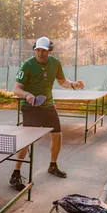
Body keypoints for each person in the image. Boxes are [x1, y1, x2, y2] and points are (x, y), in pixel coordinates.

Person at [10, 36, 84, 191]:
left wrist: (73, 84)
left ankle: (52, 165)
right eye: (38, 50)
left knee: (57, 135)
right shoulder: (28, 65)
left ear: (49, 51)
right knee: (28, 140)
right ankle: (15, 173)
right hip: (30, 107)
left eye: (43, 50)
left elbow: (62, 81)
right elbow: (16, 89)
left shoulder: (55, 63)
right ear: (35, 49)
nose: (40, 53)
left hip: (48, 105)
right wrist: (27, 95)